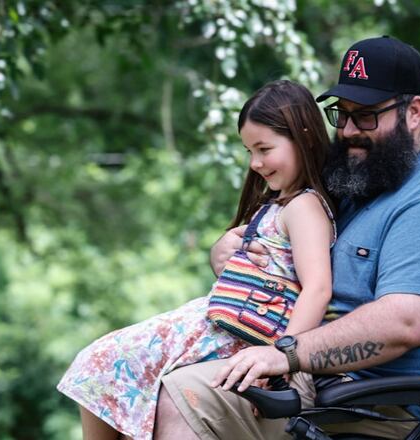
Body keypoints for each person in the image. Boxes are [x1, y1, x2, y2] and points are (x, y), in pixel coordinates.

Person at [154, 36, 420, 439]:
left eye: (366, 116)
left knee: (180, 397)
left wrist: (288, 354)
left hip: (380, 409)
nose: (349, 131)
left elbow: (402, 322)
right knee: (145, 382)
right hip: (322, 386)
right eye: (341, 114)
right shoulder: (362, 179)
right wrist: (229, 252)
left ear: (414, 111)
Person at [57, 80, 338, 440]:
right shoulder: (280, 203)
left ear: (305, 137)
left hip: (244, 333)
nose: (255, 163)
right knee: (119, 387)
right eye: (249, 151)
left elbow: (317, 288)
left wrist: (282, 360)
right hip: (220, 322)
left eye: (264, 148)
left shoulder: (304, 206)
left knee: (103, 362)